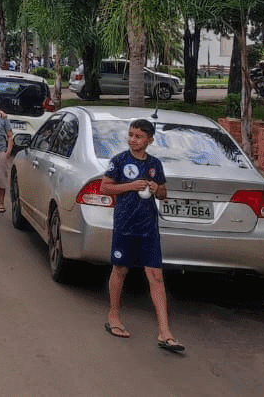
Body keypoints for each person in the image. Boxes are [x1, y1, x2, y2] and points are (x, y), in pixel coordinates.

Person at [102, 118, 182, 351]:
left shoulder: (155, 164)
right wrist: (130, 186)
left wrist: (159, 190)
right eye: (130, 135)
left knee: (156, 276)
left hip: (148, 227)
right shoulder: (119, 161)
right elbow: (105, 187)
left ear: (149, 140)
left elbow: (163, 193)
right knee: (120, 269)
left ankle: (165, 332)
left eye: (138, 136)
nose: (133, 139)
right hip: (125, 225)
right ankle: (113, 316)